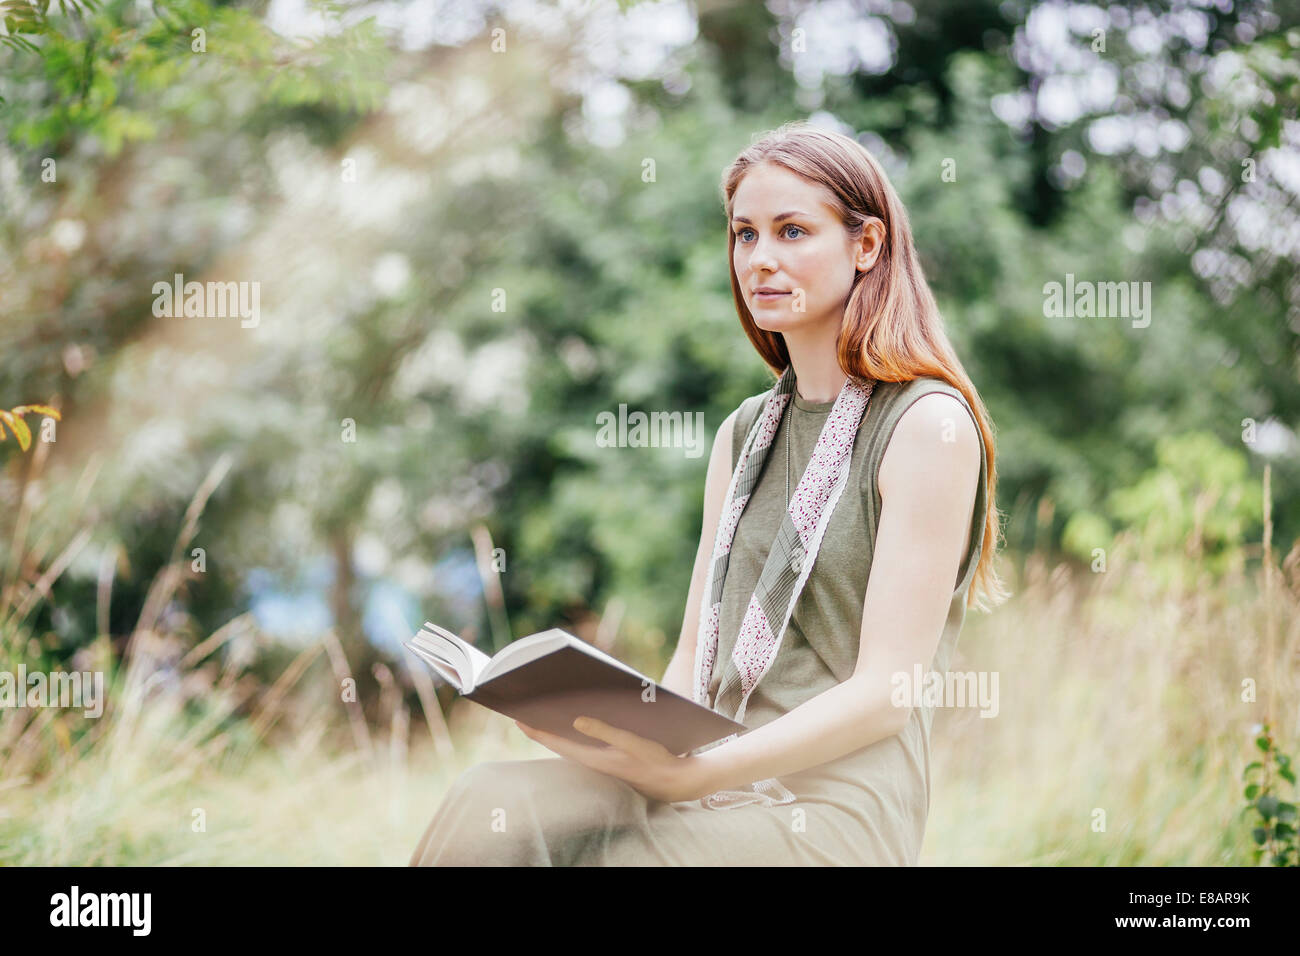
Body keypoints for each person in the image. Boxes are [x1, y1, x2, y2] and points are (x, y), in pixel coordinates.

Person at [409, 120, 1010, 866]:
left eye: (793, 232)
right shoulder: (743, 434)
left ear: (867, 246)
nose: (761, 260)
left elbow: (888, 691)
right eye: (745, 235)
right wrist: (623, 737)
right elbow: (695, 654)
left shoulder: (926, 425)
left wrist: (693, 774)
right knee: (489, 802)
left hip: (831, 811)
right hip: (702, 769)